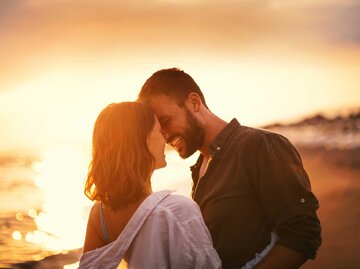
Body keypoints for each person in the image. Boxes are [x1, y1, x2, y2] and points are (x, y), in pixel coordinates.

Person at [137, 68, 322, 269]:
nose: (163, 135)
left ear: (194, 102)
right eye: (157, 129)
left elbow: (303, 232)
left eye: (165, 121)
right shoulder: (200, 167)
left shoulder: (260, 145)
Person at [78, 102, 222, 269]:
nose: (165, 139)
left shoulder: (99, 215)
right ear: (144, 139)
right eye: (159, 131)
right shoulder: (177, 210)